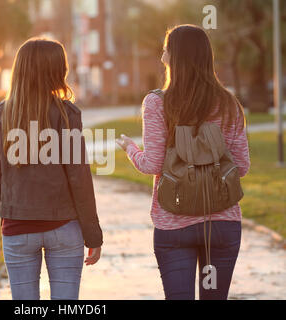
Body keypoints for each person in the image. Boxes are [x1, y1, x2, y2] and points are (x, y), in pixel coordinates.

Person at [116, 24, 250, 300]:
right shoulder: (229, 104)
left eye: (166, 50)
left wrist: (130, 148)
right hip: (221, 224)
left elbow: (152, 165)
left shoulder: (156, 103)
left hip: (173, 223)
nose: (162, 56)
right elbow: (242, 167)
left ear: (172, 58)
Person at [0, 38, 103, 300]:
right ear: (56, 72)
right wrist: (92, 234)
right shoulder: (66, 114)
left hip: (17, 228)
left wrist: (9, 216)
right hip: (63, 228)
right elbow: (79, 178)